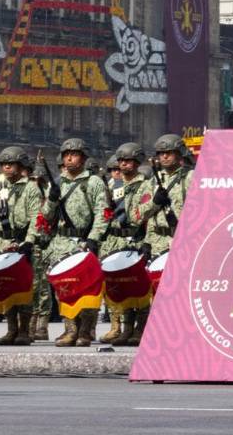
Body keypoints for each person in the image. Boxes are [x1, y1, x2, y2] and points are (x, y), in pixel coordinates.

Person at [41, 137, 109, 347]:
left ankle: (86, 331)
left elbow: (103, 212)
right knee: (65, 288)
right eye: (66, 155)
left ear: (83, 158)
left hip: (83, 241)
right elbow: (45, 217)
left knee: (87, 289)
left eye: (74, 154)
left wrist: (94, 238)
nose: (69, 158)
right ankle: (70, 329)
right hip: (61, 242)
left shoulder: (93, 182)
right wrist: (51, 200)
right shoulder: (57, 182)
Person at [134, 134, 194, 344]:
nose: (165, 157)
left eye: (169, 153)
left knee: (182, 293)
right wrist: (155, 204)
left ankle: (183, 333)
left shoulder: (191, 178)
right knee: (158, 293)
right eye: (161, 154)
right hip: (158, 240)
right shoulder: (151, 183)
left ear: (180, 155)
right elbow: (138, 215)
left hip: (182, 241)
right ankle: (161, 333)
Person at [0, 146, 43, 346]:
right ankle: (11, 328)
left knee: (24, 288)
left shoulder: (30, 188)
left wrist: (29, 242)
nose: (6, 168)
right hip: (4, 242)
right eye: (3, 164)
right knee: (7, 287)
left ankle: (24, 330)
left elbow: (36, 217)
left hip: (23, 242)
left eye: (10, 164)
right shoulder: (1, 188)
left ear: (21, 166)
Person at [99, 142, 149, 346]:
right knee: (124, 286)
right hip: (118, 240)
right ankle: (126, 327)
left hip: (138, 239)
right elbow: (105, 214)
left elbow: (146, 213)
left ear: (137, 162)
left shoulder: (145, 184)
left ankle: (140, 328)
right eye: (121, 161)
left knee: (140, 286)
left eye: (128, 161)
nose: (124, 164)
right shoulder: (113, 186)